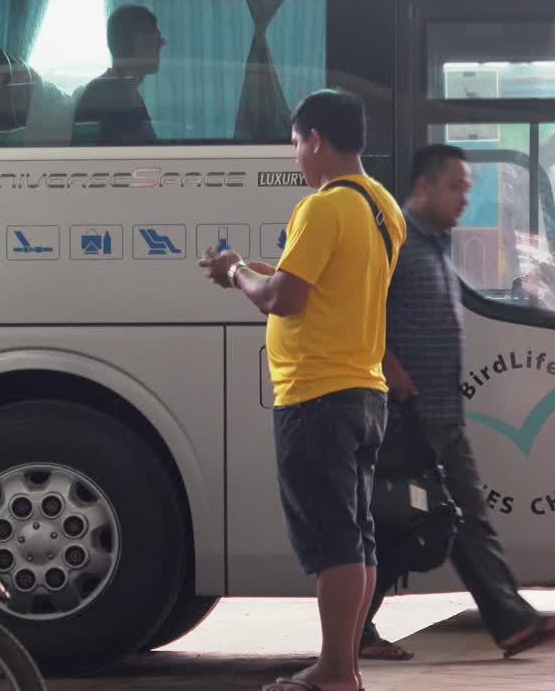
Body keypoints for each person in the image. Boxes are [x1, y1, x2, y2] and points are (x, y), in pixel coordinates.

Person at [199, 89, 405, 691]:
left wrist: (234, 270)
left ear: (315, 137)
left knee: (334, 538)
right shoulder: (381, 207)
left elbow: (284, 299)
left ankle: (336, 670)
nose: (296, 158)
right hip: (365, 393)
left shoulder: (323, 207)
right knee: (357, 534)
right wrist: (260, 269)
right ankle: (345, 664)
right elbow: (322, 284)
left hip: (317, 393)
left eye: (295, 144)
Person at [360, 144, 555, 662]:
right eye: (455, 187)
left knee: (456, 518)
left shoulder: (433, 245)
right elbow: (360, 314)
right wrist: (390, 366)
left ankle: (509, 621)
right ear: (424, 186)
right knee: (417, 520)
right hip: (409, 415)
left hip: (440, 415)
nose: (464, 198)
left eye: (467, 188)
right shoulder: (398, 242)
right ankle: (505, 622)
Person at [72, 4, 164, 145]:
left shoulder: (131, 94)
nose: (160, 43)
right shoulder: (103, 93)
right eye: (149, 33)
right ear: (125, 43)